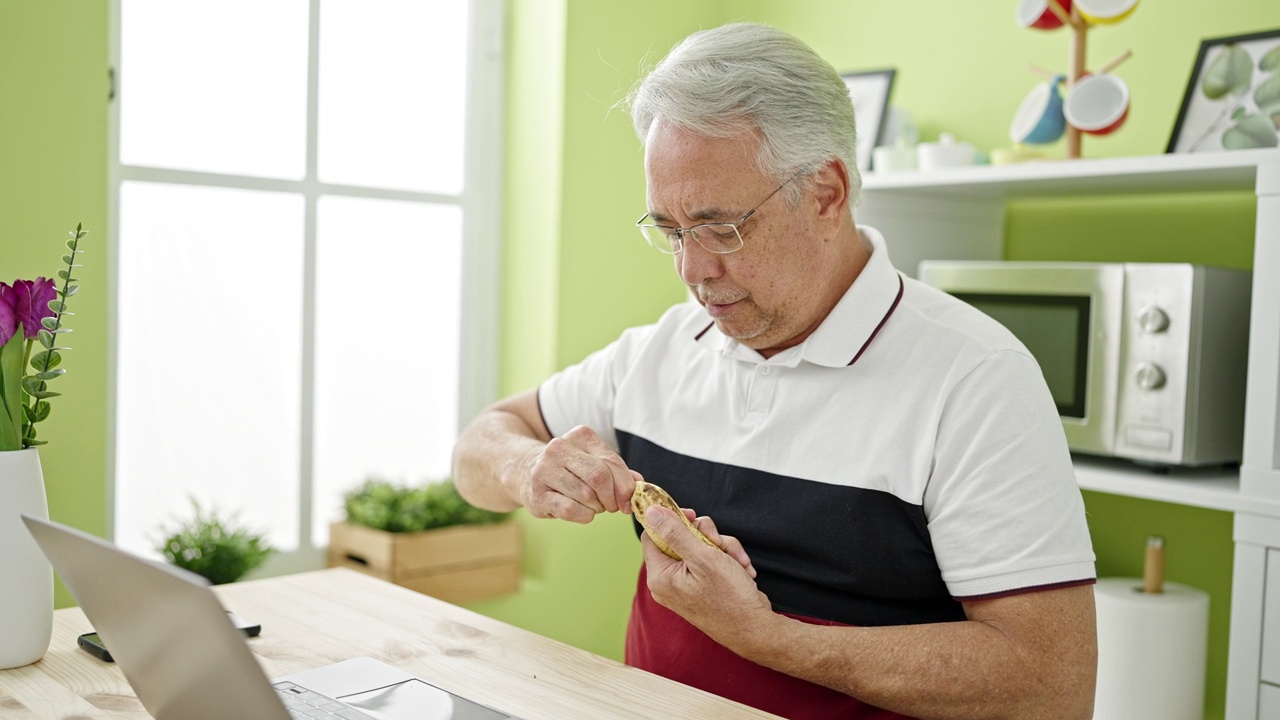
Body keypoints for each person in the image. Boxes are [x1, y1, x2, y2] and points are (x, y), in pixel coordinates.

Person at [452, 21, 1097, 720]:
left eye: (721, 227)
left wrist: (769, 639)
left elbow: (1050, 686)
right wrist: (529, 469)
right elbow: (478, 447)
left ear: (825, 193)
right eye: (671, 231)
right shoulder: (660, 351)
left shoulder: (976, 379)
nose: (693, 270)